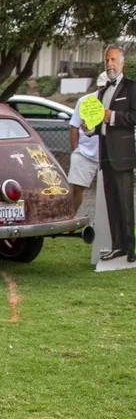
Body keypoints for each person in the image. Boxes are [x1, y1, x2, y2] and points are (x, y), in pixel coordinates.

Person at [90, 44, 136, 262]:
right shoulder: (102, 91)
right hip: (106, 154)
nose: (110, 64)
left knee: (126, 203)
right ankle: (117, 245)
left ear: (122, 62)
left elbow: (133, 117)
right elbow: (99, 120)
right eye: (107, 60)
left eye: (114, 60)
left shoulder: (131, 87)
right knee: (112, 202)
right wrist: (90, 128)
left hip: (123, 156)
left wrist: (112, 116)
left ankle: (131, 248)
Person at [67, 72, 107, 211]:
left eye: (106, 87)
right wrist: (75, 150)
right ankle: (70, 220)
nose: (103, 90)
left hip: (108, 156)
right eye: (101, 87)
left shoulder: (117, 103)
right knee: (76, 189)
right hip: (84, 153)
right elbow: (74, 126)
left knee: (109, 193)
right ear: (97, 86)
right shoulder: (85, 101)